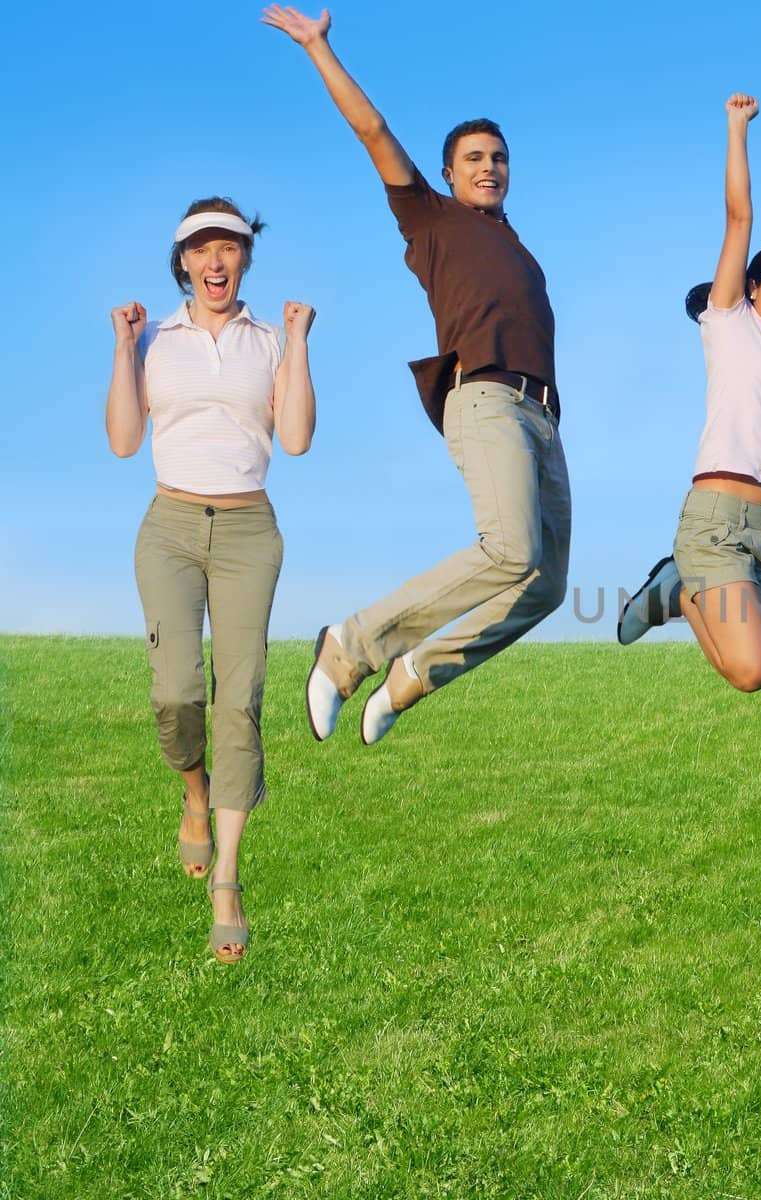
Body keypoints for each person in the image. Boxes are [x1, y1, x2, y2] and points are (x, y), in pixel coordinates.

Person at [264, 4, 568, 746]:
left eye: (498, 157)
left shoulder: (515, 244)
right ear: (446, 174)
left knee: (546, 584)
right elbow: (373, 132)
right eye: (474, 158)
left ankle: (414, 673)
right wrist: (319, 49)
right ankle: (352, 646)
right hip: (485, 395)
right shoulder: (429, 219)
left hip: (543, 417)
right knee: (509, 550)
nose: (489, 166)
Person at [107, 197, 317, 963]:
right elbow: (125, 443)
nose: (217, 260)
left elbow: (293, 438)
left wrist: (297, 343)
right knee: (176, 693)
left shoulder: (269, 339)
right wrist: (124, 347)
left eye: (230, 245)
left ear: (245, 257)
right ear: (184, 263)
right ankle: (193, 793)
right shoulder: (156, 337)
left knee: (243, 695)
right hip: (167, 527)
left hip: (247, 531)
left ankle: (227, 877)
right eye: (203, 249)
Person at [615, 93, 761, 697]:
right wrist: (737, 129)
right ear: (751, 288)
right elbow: (739, 218)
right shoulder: (728, 323)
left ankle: (685, 587)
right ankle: (677, 587)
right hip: (718, 522)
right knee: (751, 672)